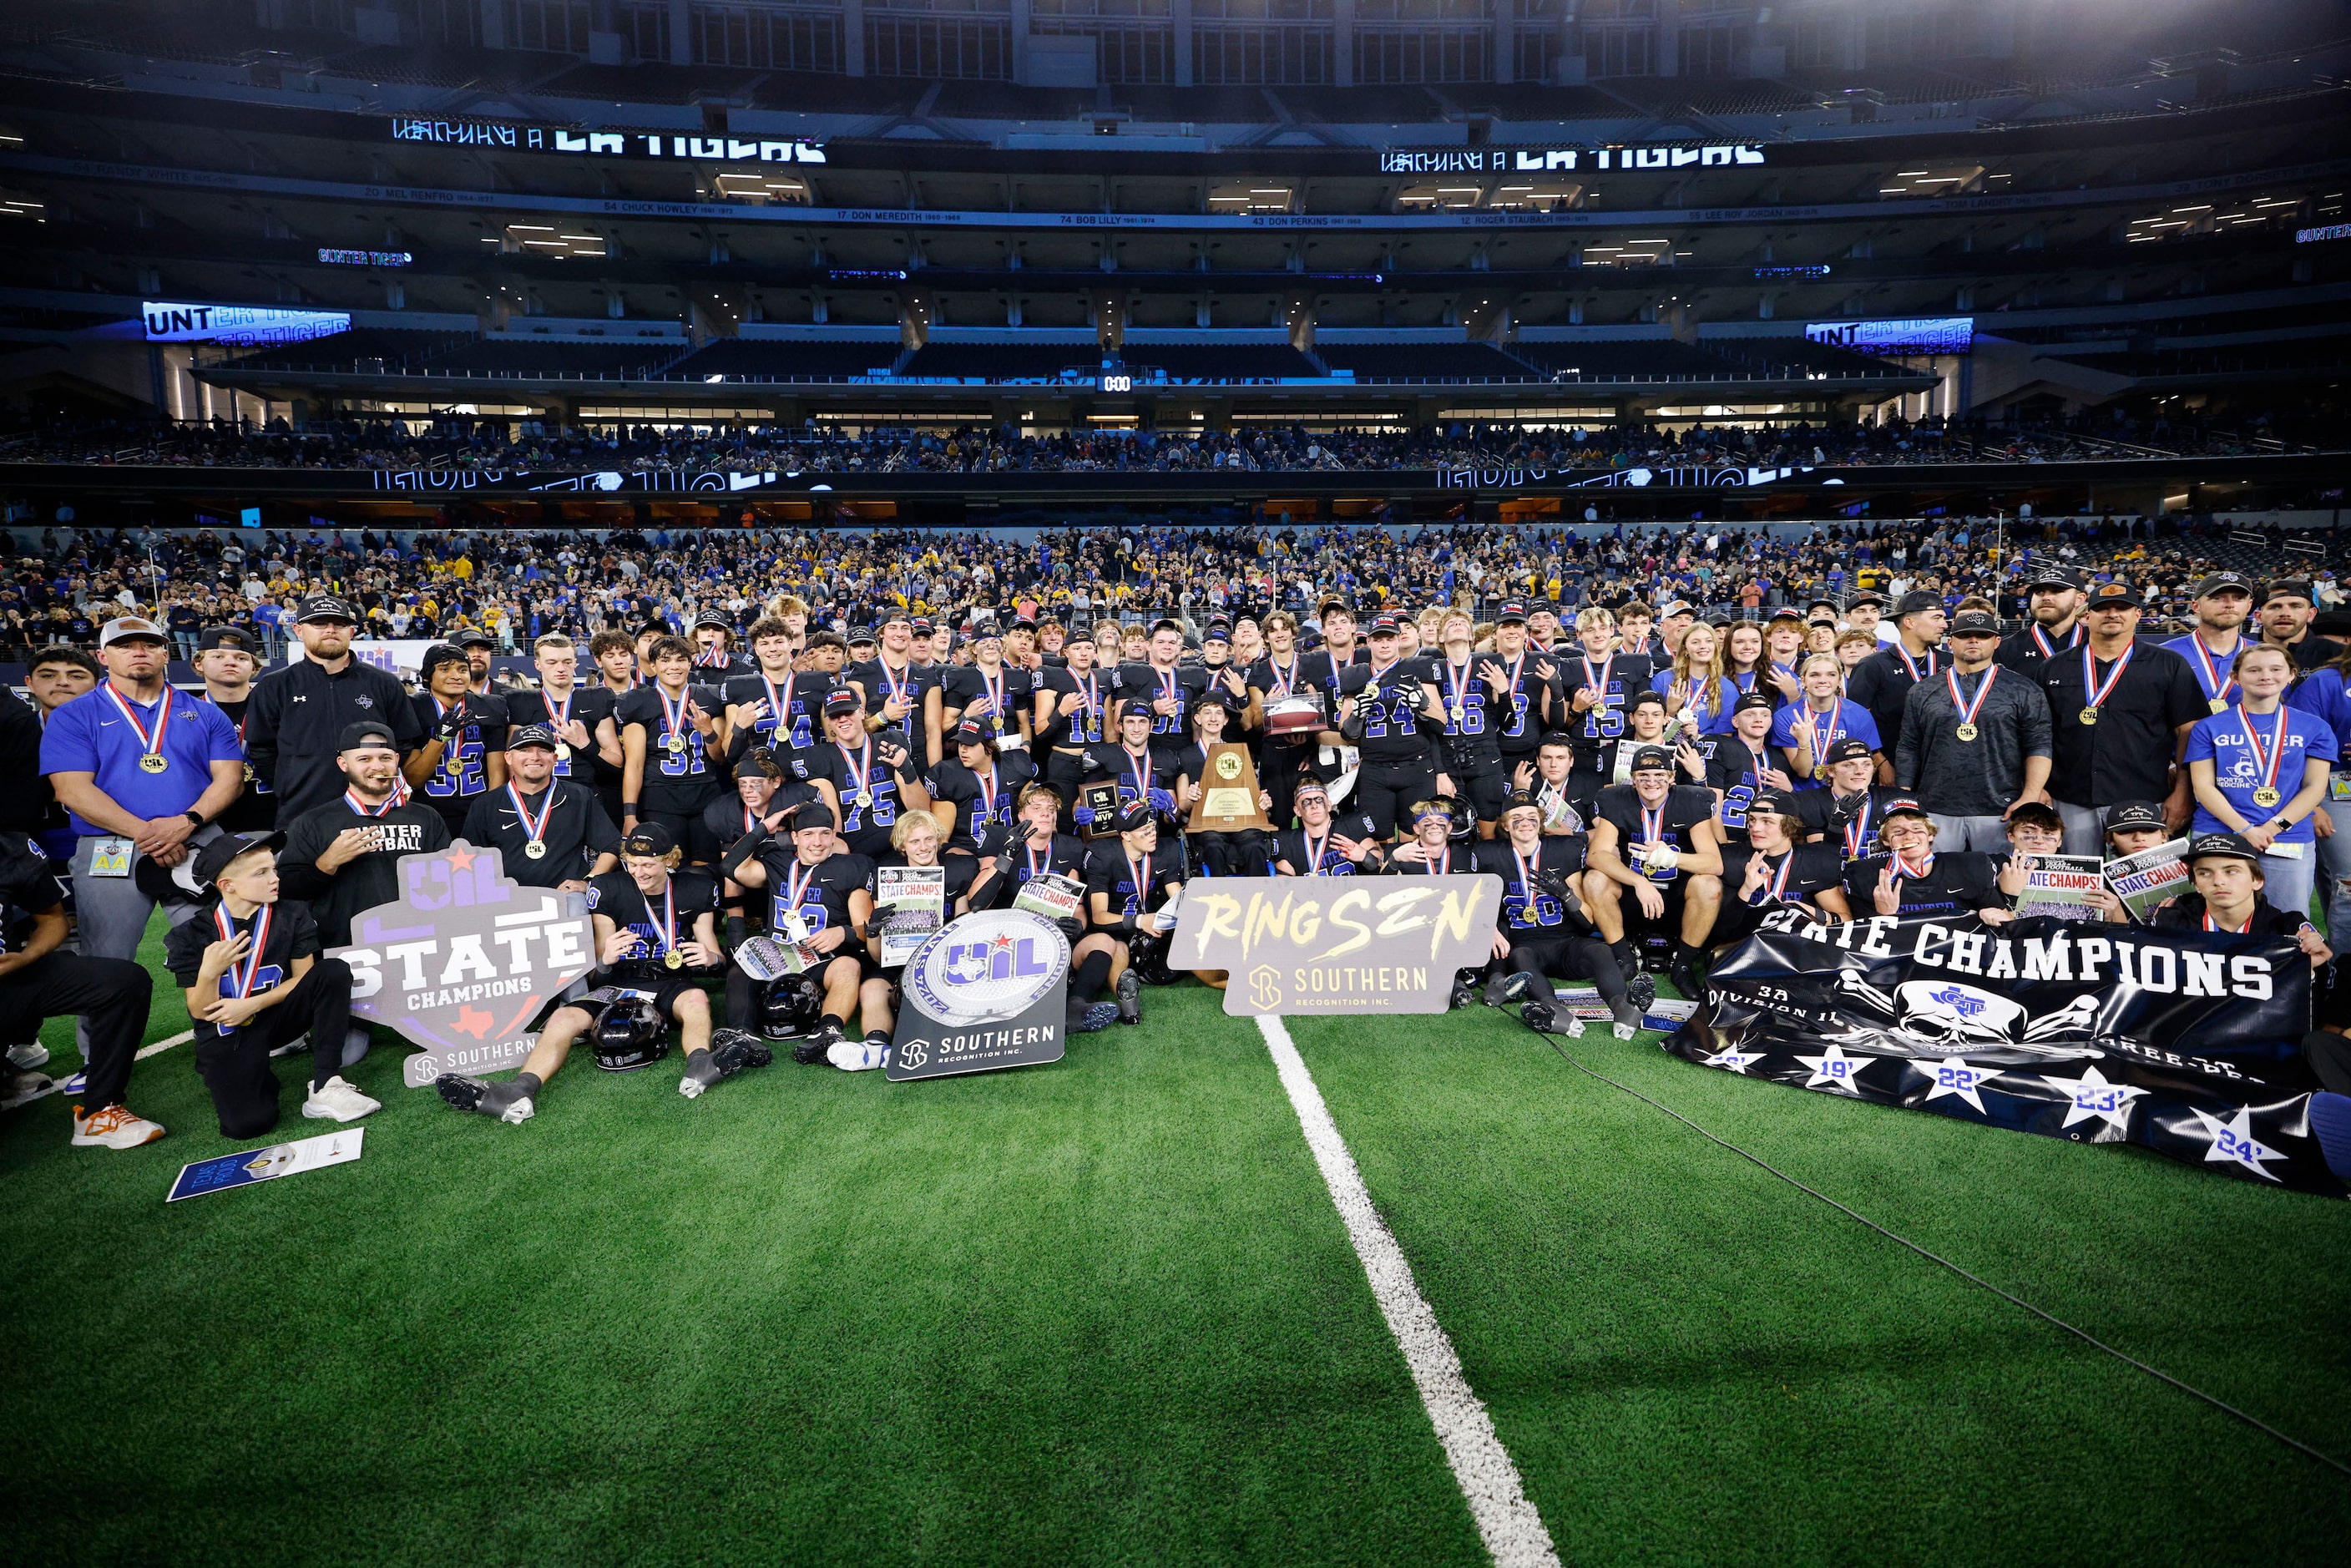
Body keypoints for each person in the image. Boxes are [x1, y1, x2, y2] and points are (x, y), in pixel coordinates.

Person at [439, 822, 768, 1122]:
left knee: (696, 998)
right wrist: (606, 958)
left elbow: (715, 957)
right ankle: (519, 1091)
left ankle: (700, 1067)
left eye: (648, 864)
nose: (639, 872)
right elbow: (598, 971)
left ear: (670, 860)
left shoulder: (695, 888)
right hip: (621, 983)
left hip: (669, 980)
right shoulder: (608, 887)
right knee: (564, 1018)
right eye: (633, 864)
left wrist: (709, 958)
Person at [39, 615, 245, 1066]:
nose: (139, 652)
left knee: (218, 943)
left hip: (195, 840)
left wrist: (185, 822)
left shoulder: (203, 711)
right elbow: (72, 790)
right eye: (126, 644)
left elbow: (228, 780)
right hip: (110, 847)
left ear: (164, 653)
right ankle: (99, 1062)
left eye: (149, 644)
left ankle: (232, 1036)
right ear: (103, 656)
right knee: (106, 958)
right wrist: (152, 833)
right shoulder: (76, 715)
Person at [164, 831, 374, 1138]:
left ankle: (326, 1084)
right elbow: (199, 1010)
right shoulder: (192, 934)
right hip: (226, 1031)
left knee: (332, 972)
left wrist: (252, 1003)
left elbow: (305, 979)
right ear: (227, 885)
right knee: (248, 1125)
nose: (274, 878)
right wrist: (209, 973)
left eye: (273, 869)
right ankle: (252, 1074)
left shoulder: (292, 914)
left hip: (274, 1016)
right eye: (261, 873)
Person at [0, 827, 159, 1148]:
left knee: (123, 982)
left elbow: (52, 918)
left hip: (8, 984)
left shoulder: (9, 845)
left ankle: (99, 1111)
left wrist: (26, 957)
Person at [2035, 580, 2207, 855]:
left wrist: (2183, 791)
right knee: (2079, 889)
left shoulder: (2168, 664)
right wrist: (2038, 788)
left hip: (2144, 798)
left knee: (2143, 893)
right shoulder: (2054, 667)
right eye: (2103, 609)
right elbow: (2039, 734)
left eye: (2122, 608)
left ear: (2137, 615)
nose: (2112, 614)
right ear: (2087, 616)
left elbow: (2190, 731)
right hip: (2069, 797)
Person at [718, 801, 882, 1063]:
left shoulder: (852, 867)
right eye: (808, 834)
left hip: (820, 958)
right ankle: (743, 1035)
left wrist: (844, 933)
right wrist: (765, 828)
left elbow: (867, 928)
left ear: (833, 836)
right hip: (778, 955)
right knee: (742, 966)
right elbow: (730, 868)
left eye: (824, 833)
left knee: (848, 967)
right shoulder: (777, 863)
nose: (817, 842)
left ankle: (826, 1033)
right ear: (794, 837)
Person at [1476, 790, 1647, 1037]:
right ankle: (1554, 1011)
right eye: (1516, 817)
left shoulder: (1563, 849)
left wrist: (1566, 893)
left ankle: (1622, 1007)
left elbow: (1587, 922)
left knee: (1599, 949)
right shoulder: (1489, 854)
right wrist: (1489, 928)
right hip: (1525, 944)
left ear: (1541, 820)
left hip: (1566, 942)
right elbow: (1474, 902)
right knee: (1521, 958)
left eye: (1531, 816)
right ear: (1504, 824)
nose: (1525, 822)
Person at [2184, 644, 2334, 922]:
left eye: (2276, 669)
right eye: (2254, 670)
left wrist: (2272, 826)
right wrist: (2244, 828)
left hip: (2286, 837)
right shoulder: (2209, 727)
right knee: (2215, 922)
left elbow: (2314, 787)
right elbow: (2203, 787)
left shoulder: (2315, 728)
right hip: (2220, 832)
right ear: (2235, 678)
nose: (2265, 675)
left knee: (2288, 923)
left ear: (2291, 675)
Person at [244, 593, 425, 819]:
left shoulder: (384, 682)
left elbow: (404, 743)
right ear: (299, 630)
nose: (331, 630)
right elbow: (261, 749)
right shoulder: (274, 685)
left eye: (340, 624)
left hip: (378, 812)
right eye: (319, 623)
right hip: (301, 812)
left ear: (350, 632)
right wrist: (290, 784)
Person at [276, 721, 453, 948]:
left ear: (397, 760)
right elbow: (286, 890)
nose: (377, 767)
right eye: (365, 759)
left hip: (420, 944)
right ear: (343, 764)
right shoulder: (312, 822)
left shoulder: (426, 817)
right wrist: (327, 863)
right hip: (345, 949)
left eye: (385, 758)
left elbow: (450, 883)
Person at [1895, 607, 2055, 854]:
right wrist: (1905, 796)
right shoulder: (1922, 691)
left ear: (1997, 642)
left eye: (1982, 636)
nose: (1973, 640)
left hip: (2001, 808)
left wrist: (2029, 796)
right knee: (1941, 883)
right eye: (1965, 635)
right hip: (1936, 807)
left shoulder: (2024, 689)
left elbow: (2039, 745)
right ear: (1951, 642)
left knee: (1999, 883)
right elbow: (1908, 745)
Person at [1583, 743, 1725, 996]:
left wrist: (1671, 858)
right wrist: (1639, 882)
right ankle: (1623, 958)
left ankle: (1682, 965)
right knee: (1595, 880)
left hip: (1676, 894)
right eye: (1643, 776)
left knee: (1709, 885)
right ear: (1633, 779)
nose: (1651, 782)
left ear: (1671, 778)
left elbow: (1714, 863)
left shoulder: (1691, 800)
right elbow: (1596, 855)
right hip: (1634, 894)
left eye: (1660, 775)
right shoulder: (1615, 800)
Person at [462, 725, 623, 891]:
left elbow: (612, 845)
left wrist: (588, 882)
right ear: (508, 758)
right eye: (525, 750)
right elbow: (470, 859)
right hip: (507, 898)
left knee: (577, 908)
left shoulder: (580, 796)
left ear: (554, 758)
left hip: (566, 896)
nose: (535, 757)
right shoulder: (486, 804)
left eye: (544, 751)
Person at [1072, 800, 1183, 1028]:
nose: (1153, 834)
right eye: (1145, 831)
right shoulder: (1102, 854)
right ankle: (1128, 1002)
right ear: (1126, 835)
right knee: (1118, 948)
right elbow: (1099, 915)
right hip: (1116, 928)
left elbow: (1178, 899)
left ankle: (1233, 979)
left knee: (1188, 937)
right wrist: (1140, 920)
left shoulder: (1166, 850)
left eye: (1153, 828)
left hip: (1151, 929)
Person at [2150, 832, 2334, 966]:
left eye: (2231, 871)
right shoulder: (2173, 922)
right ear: (2196, 884)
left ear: (2257, 880)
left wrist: (2309, 967)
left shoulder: (2290, 930)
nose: (2219, 881)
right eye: (2205, 873)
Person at [618, 634, 722, 864]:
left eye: (680, 659)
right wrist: (629, 814)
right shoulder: (638, 701)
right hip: (660, 796)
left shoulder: (709, 697)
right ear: (653, 665)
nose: (674, 666)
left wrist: (709, 732)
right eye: (665, 660)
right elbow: (634, 764)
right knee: (671, 866)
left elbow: (721, 757)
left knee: (707, 868)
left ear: (690, 662)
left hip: (705, 793)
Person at [1711, 787, 1853, 950]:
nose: (1755, 828)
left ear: (1789, 826)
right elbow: (1719, 935)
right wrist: (1746, 892)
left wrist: (1808, 911)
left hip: (1794, 953)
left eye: (1767, 821)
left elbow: (1845, 921)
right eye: (1752, 820)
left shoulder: (1813, 862)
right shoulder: (1731, 858)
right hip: (1742, 951)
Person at [803, 689, 929, 859]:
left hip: (898, 847)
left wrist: (906, 769)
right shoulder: (819, 757)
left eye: (848, 712)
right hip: (853, 850)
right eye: (835, 716)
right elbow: (833, 821)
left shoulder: (889, 743)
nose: (842, 720)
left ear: (862, 712)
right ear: (829, 722)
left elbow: (921, 810)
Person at [1840, 797, 2008, 923]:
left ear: (1930, 834)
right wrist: (1884, 915)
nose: (1909, 836)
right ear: (1885, 840)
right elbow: (1859, 942)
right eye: (1898, 832)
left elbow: (2007, 923)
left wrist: (1996, 914)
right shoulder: (1865, 875)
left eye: (1917, 828)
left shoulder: (1970, 867)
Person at [409, 643, 510, 837]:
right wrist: (440, 739)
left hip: (476, 811)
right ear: (428, 676)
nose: (456, 675)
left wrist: (490, 812)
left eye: (463, 669)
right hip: (428, 813)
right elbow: (414, 779)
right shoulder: (413, 708)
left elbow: (497, 772)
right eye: (445, 669)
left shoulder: (491, 706)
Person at [504, 633, 621, 796]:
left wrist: (586, 744)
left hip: (587, 796)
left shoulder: (596, 699)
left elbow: (617, 762)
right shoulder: (520, 701)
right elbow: (512, 763)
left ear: (575, 663)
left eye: (567, 662)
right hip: (537, 797)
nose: (560, 668)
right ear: (538, 665)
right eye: (551, 662)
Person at [1845, 590, 1945, 778]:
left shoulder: (1951, 663)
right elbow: (1856, 721)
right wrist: (1880, 763)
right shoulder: (1873, 665)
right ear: (1910, 622)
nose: (1944, 625)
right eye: (1937, 617)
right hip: (1891, 768)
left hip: (1942, 770)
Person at [1173, 693, 1272, 876]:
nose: (1213, 718)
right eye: (1207, 712)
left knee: (1255, 844)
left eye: (1219, 713)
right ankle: (1219, 899)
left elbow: (1253, 795)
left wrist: (1262, 802)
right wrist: (1192, 798)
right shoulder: (1185, 756)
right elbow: (1183, 806)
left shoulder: (1240, 752)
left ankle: (1257, 898)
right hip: (1205, 825)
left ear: (1226, 720)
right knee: (1213, 845)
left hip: (1240, 823)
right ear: (1197, 718)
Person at [193, 625, 277, 835]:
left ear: (254, 667)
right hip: (208, 822)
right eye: (218, 656)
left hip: (273, 817)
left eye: (241, 658)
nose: (230, 662)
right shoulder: (184, 716)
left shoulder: (278, 709)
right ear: (198, 663)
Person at [927, 716, 1034, 862]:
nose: (962, 749)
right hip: (967, 851)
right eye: (960, 743)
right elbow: (941, 840)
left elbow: (1036, 810)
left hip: (1009, 846)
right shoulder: (948, 774)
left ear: (989, 747)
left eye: (970, 744)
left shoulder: (1015, 765)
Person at [1705, 690, 1796, 848]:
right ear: (1735, 721)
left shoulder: (1779, 758)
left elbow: (1792, 817)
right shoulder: (1722, 747)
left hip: (1765, 842)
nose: (1758, 719)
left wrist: (1789, 790)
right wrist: (1725, 848)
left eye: (1765, 715)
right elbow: (1712, 810)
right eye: (1750, 714)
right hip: (1728, 838)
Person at [1774, 652, 1878, 787]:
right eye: (1814, 675)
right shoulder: (1786, 716)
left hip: (1845, 792)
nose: (1823, 680)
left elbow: (1861, 768)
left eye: (1831, 674)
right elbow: (1804, 772)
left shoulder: (1860, 716)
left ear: (1839, 680)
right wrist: (1804, 742)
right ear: (1803, 681)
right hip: (1801, 794)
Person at [2162, 571, 2256, 714]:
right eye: (2217, 598)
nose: (2230, 604)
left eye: (2238, 598)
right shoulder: (2165, 655)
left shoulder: (2265, 656)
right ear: (2196, 607)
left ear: (2249, 606)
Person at [1272, 778, 1386, 875]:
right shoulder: (1290, 843)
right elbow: (1283, 889)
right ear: (1297, 811)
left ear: (1329, 805)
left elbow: (1383, 868)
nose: (1314, 806)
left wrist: (1364, 856)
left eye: (1319, 800)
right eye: (1306, 802)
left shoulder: (1351, 827)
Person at [1996, 564, 2086, 670]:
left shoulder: (2101, 643)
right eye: (2040, 592)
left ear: (2079, 599)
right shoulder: (2005, 648)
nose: (2046, 597)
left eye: (2056, 591)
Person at [2256, 578, 2331, 672]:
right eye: (2275, 607)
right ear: (2259, 616)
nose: (2285, 613)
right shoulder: (2239, 651)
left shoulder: (2339, 657)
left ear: (2311, 615)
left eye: (2296, 606)